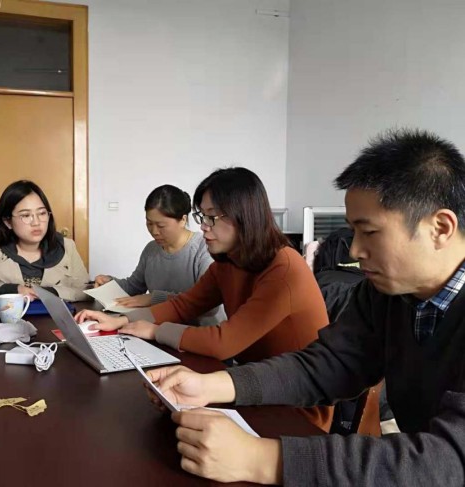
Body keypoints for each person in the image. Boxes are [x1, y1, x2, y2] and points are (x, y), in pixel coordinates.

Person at [146, 129, 465, 486]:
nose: (354, 251)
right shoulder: (385, 294)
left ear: (440, 228)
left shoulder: (290, 267)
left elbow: (449, 461)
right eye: (353, 232)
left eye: (370, 232)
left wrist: (261, 459)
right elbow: (326, 366)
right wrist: (213, 385)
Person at [77, 168, 332, 430]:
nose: (203, 226)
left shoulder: (284, 268)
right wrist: (122, 321)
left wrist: (154, 331)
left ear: (244, 216)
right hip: (248, 384)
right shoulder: (228, 262)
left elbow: (224, 342)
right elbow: (185, 305)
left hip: (295, 407)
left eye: (212, 217)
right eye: (202, 216)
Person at [93, 184, 224, 326]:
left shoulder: (204, 249)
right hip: (158, 328)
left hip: (199, 331)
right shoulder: (151, 249)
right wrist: (110, 282)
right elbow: (134, 286)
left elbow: (207, 305)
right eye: (149, 223)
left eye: (161, 226)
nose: (154, 231)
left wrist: (153, 298)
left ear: (183, 220)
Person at [0, 180, 90, 306]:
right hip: (8, 320)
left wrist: (51, 293)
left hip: (53, 320)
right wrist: (9, 290)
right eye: (26, 215)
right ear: (8, 222)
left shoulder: (67, 246)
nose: (36, 222)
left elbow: (86, 292)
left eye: (42, 213)